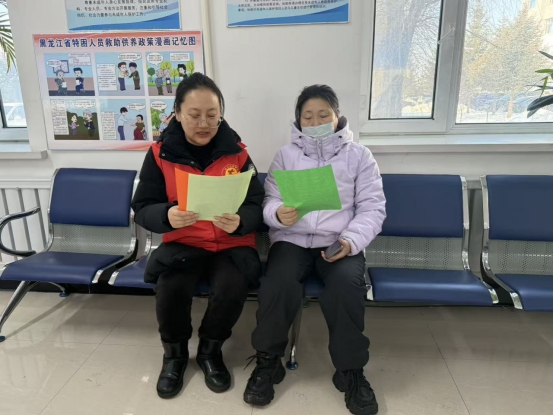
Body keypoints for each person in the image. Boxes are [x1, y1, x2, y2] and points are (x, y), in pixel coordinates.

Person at [244, 85, 386, 415]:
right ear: (298, 121)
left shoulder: (359, 156)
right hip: (292, 240)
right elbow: (270, 199)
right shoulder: (285, 156)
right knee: (277, 284)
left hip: (338, 241)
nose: (316, 122)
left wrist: (351, 240)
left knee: (347, 286)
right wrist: (277, 213)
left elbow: (372, 207)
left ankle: (350, 371)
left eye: (324, 115)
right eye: (308, 117)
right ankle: (268, 363)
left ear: (337, 117)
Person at [131, 73, 265, 400]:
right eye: (194, 115)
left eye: (212, 115)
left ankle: (209, 352)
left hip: (231, 244)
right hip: (184, 242)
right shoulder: (160, 154)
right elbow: (142, 207)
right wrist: (167, 215)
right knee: (171, 287)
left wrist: (242, 220)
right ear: (177, 113)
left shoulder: (237, 153)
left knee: (231, 288)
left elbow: (257, 202)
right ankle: (174, 356)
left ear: (221, 114)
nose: (204, 123)